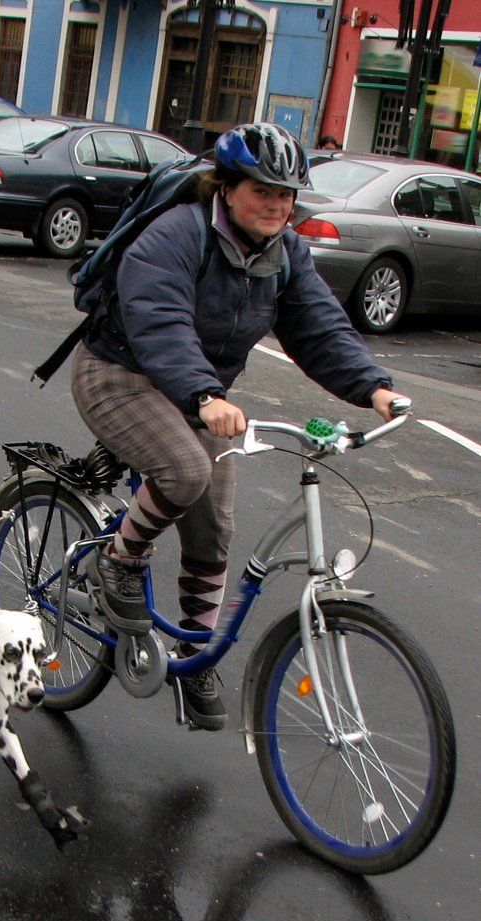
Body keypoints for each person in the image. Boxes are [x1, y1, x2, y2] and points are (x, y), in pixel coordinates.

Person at [71, 122, 406, 731]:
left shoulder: (285, 253)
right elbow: (159, 321)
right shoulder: (175, 234)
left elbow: (318, 326)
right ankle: (118, 561)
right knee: (184, 469)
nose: (279, 205)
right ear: (227, 188)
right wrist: (203, 394)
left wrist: (373, 387)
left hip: (199, 392)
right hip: (119, 374)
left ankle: (195, 656)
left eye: (288, 194)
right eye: (263, 191)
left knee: (213, 528)